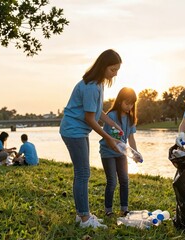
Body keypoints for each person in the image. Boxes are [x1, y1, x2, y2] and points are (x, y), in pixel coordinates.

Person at [59, 49, 123, 229]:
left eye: (117, 70)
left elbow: (97, 112)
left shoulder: (99, 84)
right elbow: (89, 118)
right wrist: (108, 138)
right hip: (74, 131)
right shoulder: (91, 87)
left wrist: (113, 124)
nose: (115, 74)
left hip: (79, 131)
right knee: (83, 173)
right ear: (103, 67)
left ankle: (82, 215)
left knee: (81, 172)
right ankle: (85, 219)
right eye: (113, 70)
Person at [99, 87, 139, 217]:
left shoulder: (131, 118)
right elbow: (113, 140)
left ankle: (124, 208)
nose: (129, 106)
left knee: (124, 180)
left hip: (121, 153)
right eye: (127, 103)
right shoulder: (111, 116)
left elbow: (131, 138)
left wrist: (135, 154)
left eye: (132, 103)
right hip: (108, 152)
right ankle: (108, 210)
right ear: (120, 101)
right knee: (112, 181)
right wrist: (123, 149)